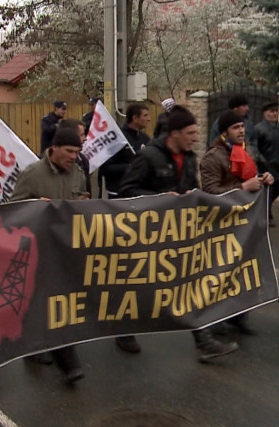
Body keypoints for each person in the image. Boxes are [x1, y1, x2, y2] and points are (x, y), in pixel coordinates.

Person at [119, 106, 240, 362]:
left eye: (196, 133)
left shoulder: (190, 159)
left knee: (190, 282)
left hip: (178, 234)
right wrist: (160, 198)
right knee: (142, 286)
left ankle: (203, 342)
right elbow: (126, 191)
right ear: (174, 133)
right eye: (190, 133)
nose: (195, 138)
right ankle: (123, 329)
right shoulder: (149, 156)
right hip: (148, 235)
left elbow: (192, 190)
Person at [9, 128, 88, 382]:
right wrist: (35, 208)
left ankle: (42, 345)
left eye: (77, 152)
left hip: (67, 247)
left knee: (60, 300)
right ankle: (67, 361)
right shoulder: (32, 174)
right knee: (48, 299)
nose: (74, 156)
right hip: (38, 249)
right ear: (53, 149)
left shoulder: (78, 173)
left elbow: (84, 203)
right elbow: (12, 211)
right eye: (69, 151)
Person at [200, 110, 273, 337]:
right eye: (235, 127)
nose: (241, 131)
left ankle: (238, 316)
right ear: (224, 132)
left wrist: (264, 179)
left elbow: (252, 176)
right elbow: (210, 193)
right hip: (222, 224)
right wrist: (242, 188)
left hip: (244, 223)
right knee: (221, 273)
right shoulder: (213, 157)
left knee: (242, 272)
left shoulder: (245, 150)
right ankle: (214, 320)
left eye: (242, 126)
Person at [100, 103, 152, 199]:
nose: (149, 119)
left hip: (139, 193)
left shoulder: (145, 138)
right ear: (135, 118)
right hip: (119, 194)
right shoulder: (117, 138)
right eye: (145, 115)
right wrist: (130, 167)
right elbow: (105, 168)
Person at [255, 101, 279, 225]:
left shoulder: (277, 128)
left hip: (277, 165)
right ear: (265, 113)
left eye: (276, 111)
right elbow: (255, 148)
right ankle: (267, 215)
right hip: (267, 166)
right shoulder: (259, 129)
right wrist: (262, 162)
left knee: (276, 190)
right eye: (272, 111)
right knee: (268, 192)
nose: (275, 114)